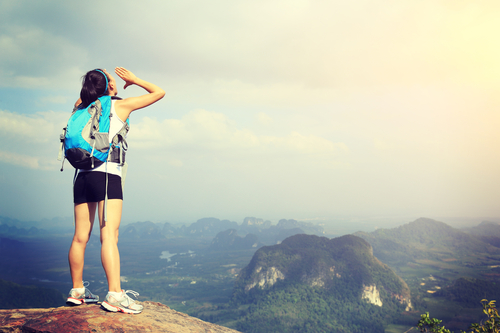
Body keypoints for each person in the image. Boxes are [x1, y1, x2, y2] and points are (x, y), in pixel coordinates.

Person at [66, 67, 165, 314]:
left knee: (80, 237)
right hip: (108, 175)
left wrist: (100, 85)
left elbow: (85, 97)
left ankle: (77, 291)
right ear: (109, 86)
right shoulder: (119, 106)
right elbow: (159, 92)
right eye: (112, 80)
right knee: (109, 236)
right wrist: (134, 80)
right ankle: (115, 295)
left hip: (82, 177)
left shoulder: (81, 107)